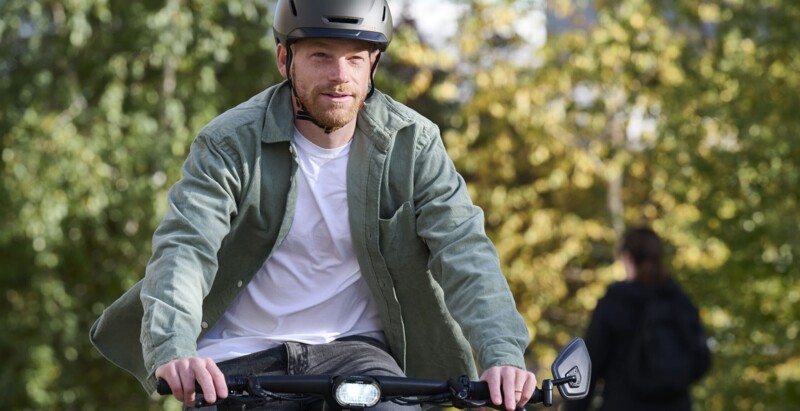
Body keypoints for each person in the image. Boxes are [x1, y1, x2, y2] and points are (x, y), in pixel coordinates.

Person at [89, 1, 536, 410]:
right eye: (321, 55)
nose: (340, 74)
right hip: (241, 356)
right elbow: (186, 248)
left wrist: (502, 354)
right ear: (285, 59)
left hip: (358, 354)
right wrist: (175, 348)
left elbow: (464, 249)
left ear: (373, 65)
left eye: (355, 58)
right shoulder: (230, 143)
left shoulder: (413, 145)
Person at [566, 227, 711, 411]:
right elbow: (702, 361)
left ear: (627, 257)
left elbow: (589, 365)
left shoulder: (616, 301)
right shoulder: (679, 301)